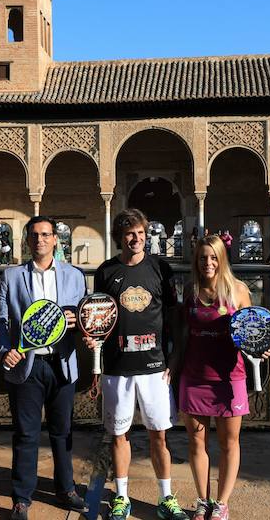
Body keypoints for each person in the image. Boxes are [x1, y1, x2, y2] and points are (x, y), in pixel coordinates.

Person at [89, 208, 186, 520]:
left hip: (154, 368)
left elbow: (173, 316)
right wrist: (95, 351)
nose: (137, 238)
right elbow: (98, 318)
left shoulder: (160, 268)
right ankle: (121, 496)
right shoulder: (105, 272)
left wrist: (173, 358)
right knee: (119, 435)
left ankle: (166, 497)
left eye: (142, 233)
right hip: (117, 368)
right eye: (131, 233)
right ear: (120, 237)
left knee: (159, 434)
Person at [173, 235, 270, 520]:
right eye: (203, 257)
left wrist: (260, 348)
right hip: (194, 376)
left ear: (222, 259)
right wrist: (175, 366)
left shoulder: (239, 291)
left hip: (230, 378)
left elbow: (252, 329)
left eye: (214, 257)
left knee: (229, 442)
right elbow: (183, 334)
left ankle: (222, 503)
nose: (208, 262)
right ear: (196, 260)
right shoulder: (190, 291)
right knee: (197, 442)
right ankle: (203, 500)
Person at [0, 215, 87, 520]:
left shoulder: (74, 276)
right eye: (34, 235)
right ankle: (22, 497)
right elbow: (1, 321)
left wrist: (77, 323)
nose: (40, 240)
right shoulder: (11, 276)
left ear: (55, 240)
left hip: (61, 363)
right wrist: (5, 349)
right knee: (26, 433)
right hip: (27, 366)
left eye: (46, 235)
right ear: (27, 240)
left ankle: (66, 488)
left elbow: (83, 317)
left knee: (63, 431)